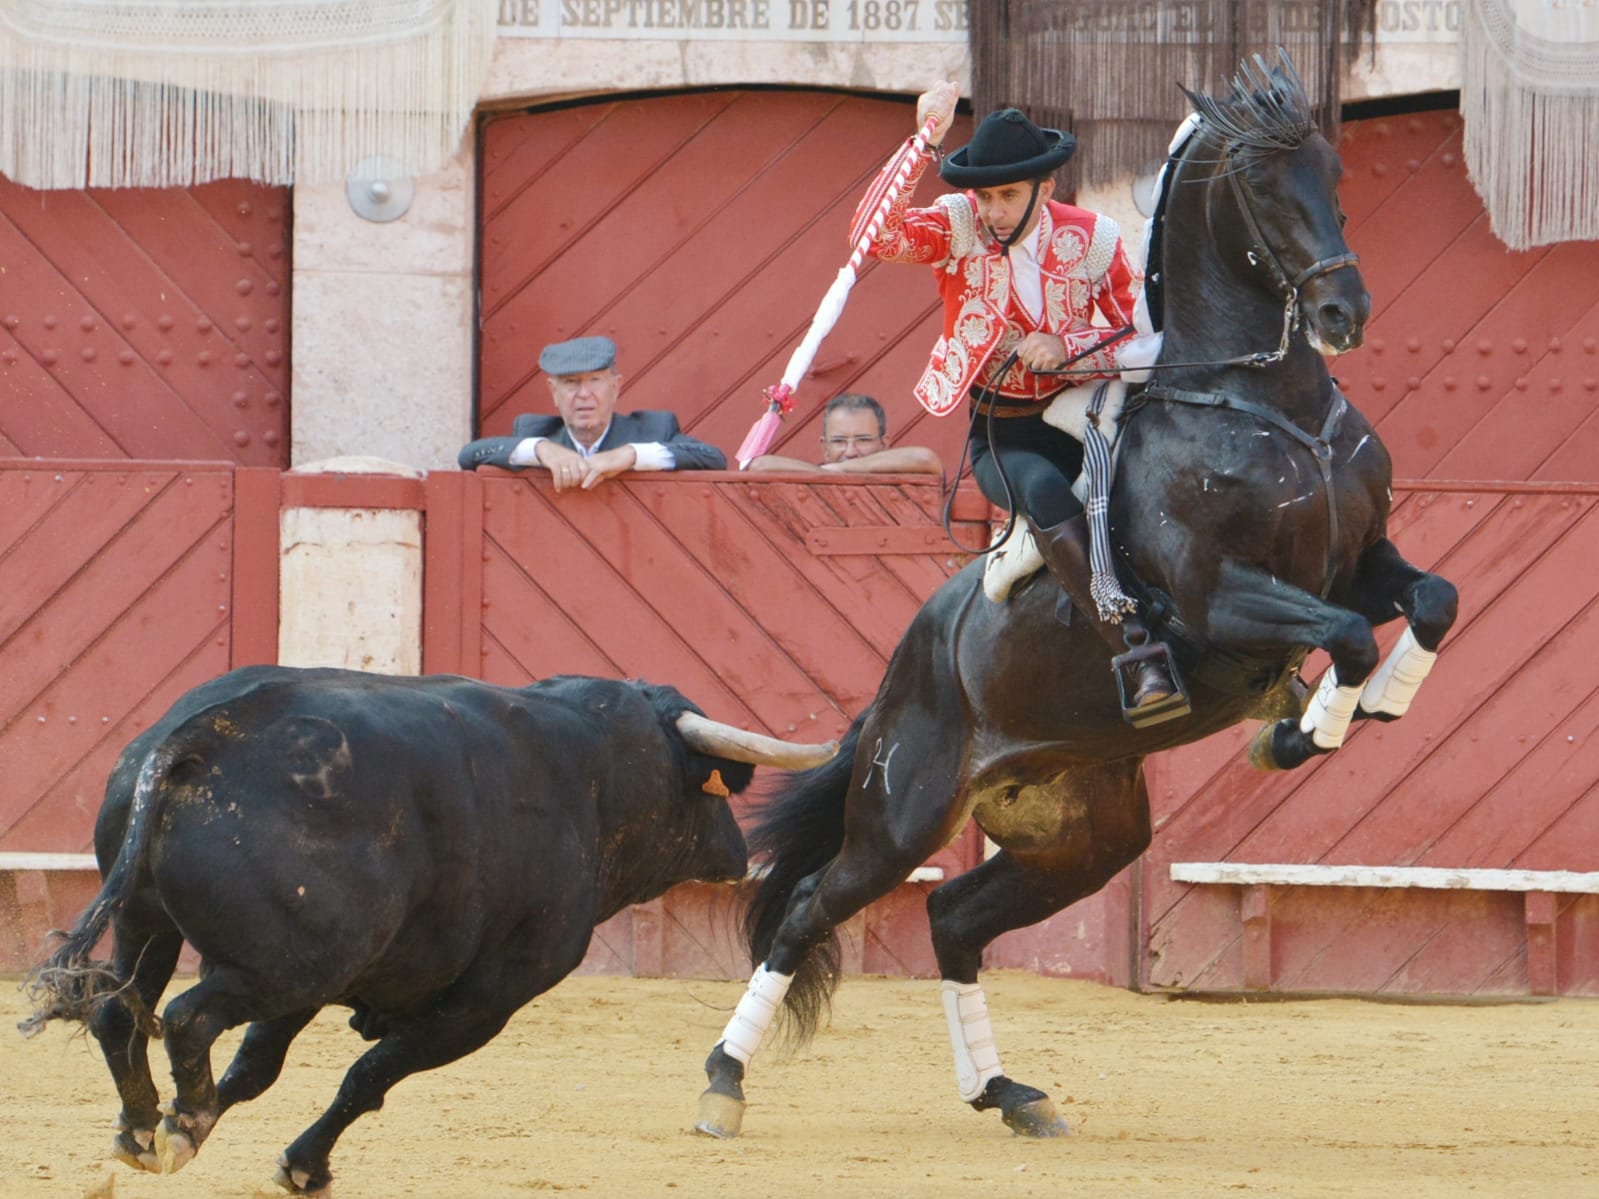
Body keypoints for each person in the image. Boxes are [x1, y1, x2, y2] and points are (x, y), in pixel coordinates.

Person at [853, 82, 1178, 716]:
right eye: (986, 195)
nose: (994, 211)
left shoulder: (1096, 239)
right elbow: (873, 236)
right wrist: (922, 144)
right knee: (1048, 494)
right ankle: (1139, 655)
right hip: (1003, 435)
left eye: (1008, 196)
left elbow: (1139, 338)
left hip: (1087, 420)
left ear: (1044, 189)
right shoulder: (957, 228)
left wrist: (1068, 344)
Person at [458, 336, 726, 488]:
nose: (584, 394)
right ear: (553, 391)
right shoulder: (532, 432)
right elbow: (469, 456)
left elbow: (713, 458)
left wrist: (629, 454)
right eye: (571, 383)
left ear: (616, 387)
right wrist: (543, 449)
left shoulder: (654, 429)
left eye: (595, 381)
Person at [746, 393, 942, 476]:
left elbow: (925, 459)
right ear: (825, 447)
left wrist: (842, 470)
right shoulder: (821, 472)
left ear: (885, 443)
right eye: (839, 441)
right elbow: (760, 465)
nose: (851, 451)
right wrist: (827, 474)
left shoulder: (903, 465)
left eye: (863, 440)